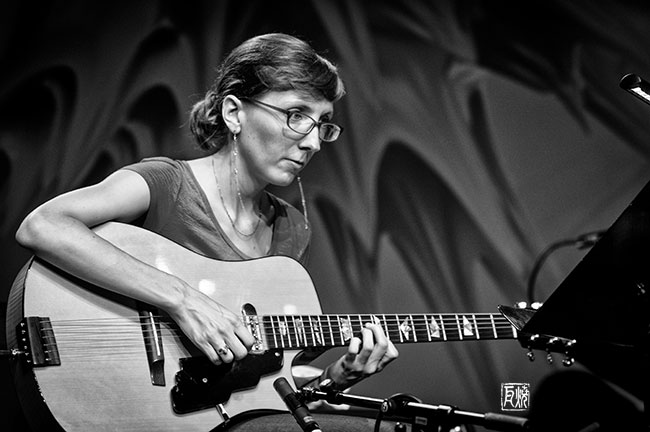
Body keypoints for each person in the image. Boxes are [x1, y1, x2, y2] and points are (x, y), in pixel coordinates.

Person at [15, 33, 399, 430]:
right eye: (297, 115)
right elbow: (44, 224)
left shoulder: (292, 229)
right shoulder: (167, 183)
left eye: (323, 124)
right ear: (234, 112)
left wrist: (334, 380)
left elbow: (260, 394)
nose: (314, 142)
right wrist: (183, 300)